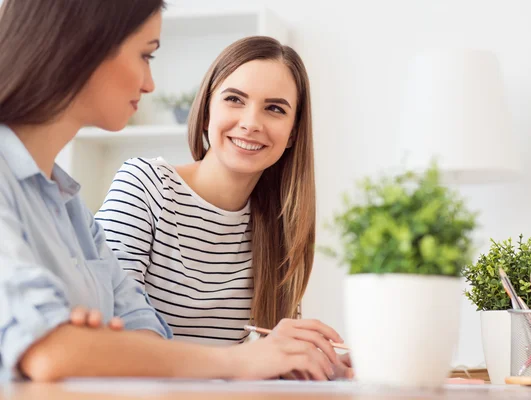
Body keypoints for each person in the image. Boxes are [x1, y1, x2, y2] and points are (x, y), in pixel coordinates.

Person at [0, 0, 345, 382]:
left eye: (275, 109)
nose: (150, 84)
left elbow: (137, 327)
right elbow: (49, 350)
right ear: (83, 49)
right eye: (146, 55)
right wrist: (243, 361)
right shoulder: (140, 186)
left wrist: (297, 360)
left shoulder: (68, 207)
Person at [95, 35, 352, 379]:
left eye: (275, 109)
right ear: (205, 113)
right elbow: (109, 337)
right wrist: (251, 359)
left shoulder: (277, 226)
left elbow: (249, 370)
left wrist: (313, 364)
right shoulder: (144, 185)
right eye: (234, 99)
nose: (251, 122)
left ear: (292, 133)